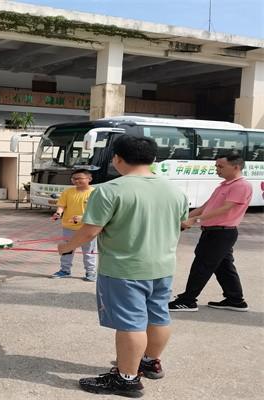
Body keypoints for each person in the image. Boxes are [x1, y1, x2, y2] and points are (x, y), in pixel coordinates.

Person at [57, 135, 188, 397]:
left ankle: (126, 379)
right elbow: (182, 223)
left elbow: (90, 231)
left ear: (117, 159)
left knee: (130, 323)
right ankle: (149, 362)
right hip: (163, 267)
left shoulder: (109, 190)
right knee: (159, 315)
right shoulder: (174, 190)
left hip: (124, 270)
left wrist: (66, 247)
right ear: (153, 159)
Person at [169, 152, 252, 312]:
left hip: (221, 233)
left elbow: (225, 209)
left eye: (221, 166)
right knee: (223, 267)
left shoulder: (241, 186)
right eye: (216, 166)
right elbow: (205, 207)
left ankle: (188, 300)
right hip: (216, 232)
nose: (217, 169)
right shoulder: (224, 185)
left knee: (202, 265)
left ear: (236, 167)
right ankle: (235, 300)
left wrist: (194, 220)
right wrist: (184, 218)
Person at [51, 168, 97, 281]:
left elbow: (98, 211)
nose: (76, 181)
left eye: (79, 178)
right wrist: (58, 213)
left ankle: (91, 273)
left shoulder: (95, 193)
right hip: (69, 228)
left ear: (89, 179)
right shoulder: (68, 192)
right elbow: (62, 205)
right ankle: (65, 270)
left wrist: (83, 217)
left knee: (88, 252)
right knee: (67, 250)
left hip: (87, 228)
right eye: (74, 179)